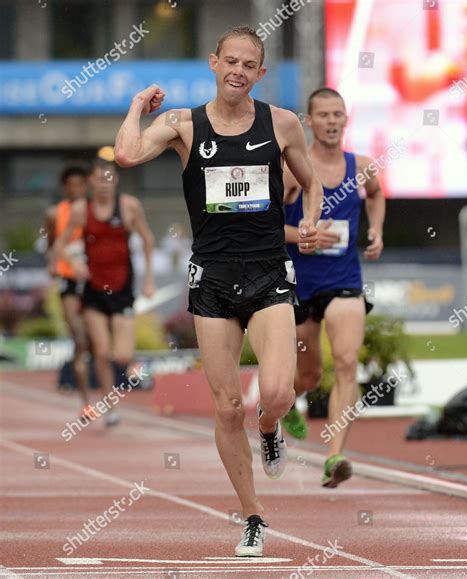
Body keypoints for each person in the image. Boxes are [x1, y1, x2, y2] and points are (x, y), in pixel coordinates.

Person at [114, 26, 336, 557]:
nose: (237, 71)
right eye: (229, 61)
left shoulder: (281, 123)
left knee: (277, 392)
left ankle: (272, 428)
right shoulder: (182, 124)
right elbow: (125, 155)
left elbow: (313, 182)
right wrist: (135, 106)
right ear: (214, 63)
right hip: (211, 276)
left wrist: (308, 221)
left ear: (260, 73)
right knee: (227, 405)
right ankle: (253, 515)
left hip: (268, 272)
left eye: (248, 65)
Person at [283, 87, 385, 487]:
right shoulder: (293, 169)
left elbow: (375, 196)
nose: (330, 121)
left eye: (337, 114)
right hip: (300, 284)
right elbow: (266, 226)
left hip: (345, 281)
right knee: (308, 376)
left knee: (346, 363)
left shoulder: (361, 166)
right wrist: (301, 235)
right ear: (309, 121)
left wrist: (376, 230)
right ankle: (287, 400)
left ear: (345, 120)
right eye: (322, 115)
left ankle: (335, 455)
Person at [51, 158, 155, 426]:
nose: (105, 184)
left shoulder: (129, 206)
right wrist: (74, 264)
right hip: (94, 288)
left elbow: (147, 238)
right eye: (100, 179)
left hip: (122, 287)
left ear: (116, 180)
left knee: (122, 354)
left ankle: (130, 369)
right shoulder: (80, 210)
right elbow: (60, 245)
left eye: (110, 178)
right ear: (92, 182)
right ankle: (110, 407)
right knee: (101, 352)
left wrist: (149, 280)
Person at [45, 164, 93, 421]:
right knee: (79, 336)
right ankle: (85, 401)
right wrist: (52, 264)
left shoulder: (95, 210)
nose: (75, 189)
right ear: (65, 187)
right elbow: (51, 244)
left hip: (94, 279)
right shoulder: (55, 213)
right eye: (70, 185)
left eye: (80, 184)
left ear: (86, 185)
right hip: (68, 279)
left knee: (95, 340)